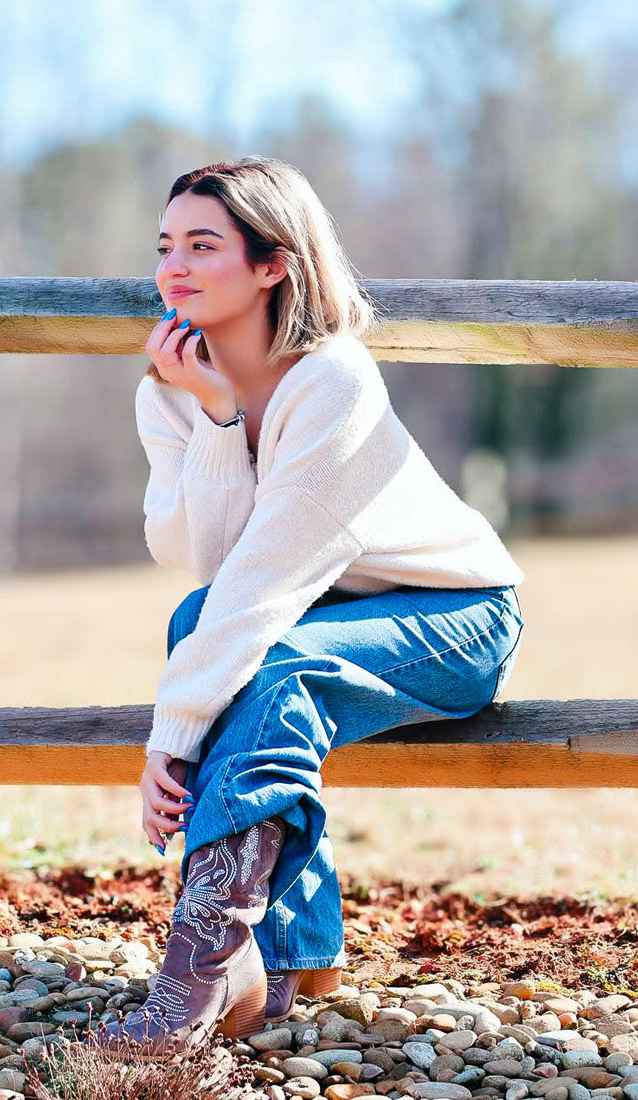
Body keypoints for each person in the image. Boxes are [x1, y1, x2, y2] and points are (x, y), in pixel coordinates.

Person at [86, 155, 525, 1057]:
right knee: (203, 628)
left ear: (272, 263)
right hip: (319, 607)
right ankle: (276, 968)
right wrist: (213, 418)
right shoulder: (166, 392)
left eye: (204, 245)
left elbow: (262, 586)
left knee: (267, 663)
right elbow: (205, 567)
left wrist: (169, 733)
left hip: (455, 618)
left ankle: (195, 980)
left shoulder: (335, 383)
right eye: (166, 245)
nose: (174, 266)